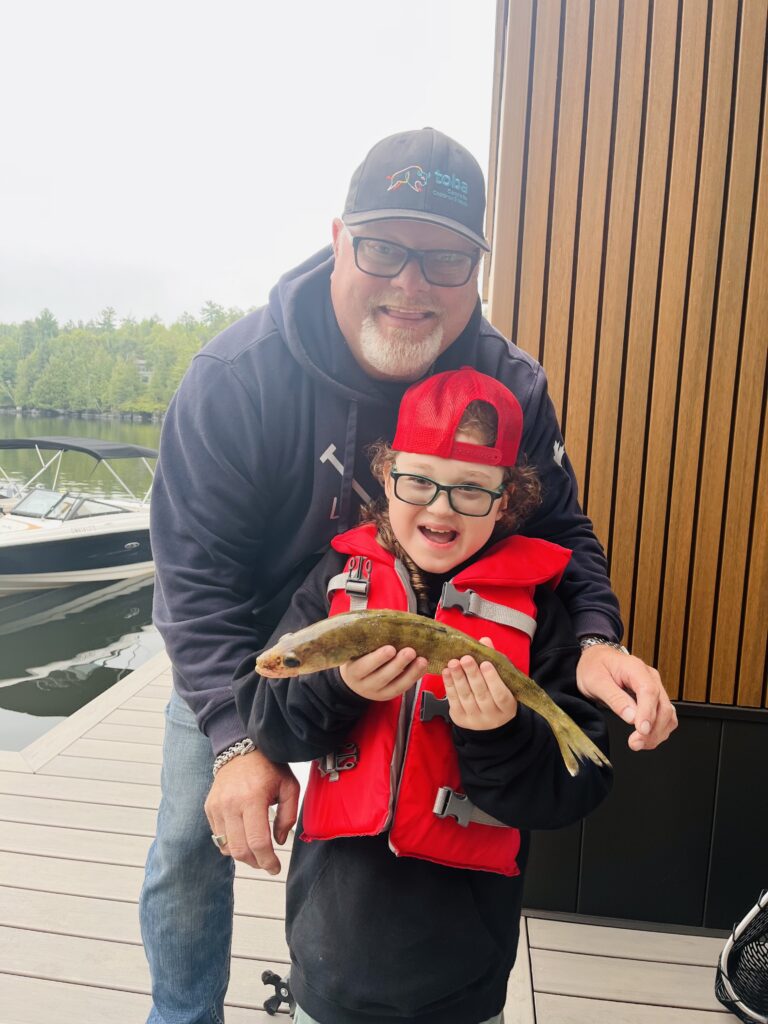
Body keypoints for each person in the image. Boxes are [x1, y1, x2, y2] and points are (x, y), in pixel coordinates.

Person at [141, 127, 676, 1024]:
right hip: (256, 647)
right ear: (341, 235)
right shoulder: (235, 379)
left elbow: (563, 529)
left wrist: (591, 639)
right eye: (386, 248)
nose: (411, 284)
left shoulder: (510, 381)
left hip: (436, 646)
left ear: (476, 269)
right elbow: (193, 582)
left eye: (445, 258)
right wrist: (239, 741)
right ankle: (182, 1014)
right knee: (189, 843)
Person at [234, 367, 613, 1024]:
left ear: (506, 502)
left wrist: (499, 733)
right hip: (328, 969)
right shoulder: (333, 582)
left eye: (471, 489)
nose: (440, 507)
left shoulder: (539, 613)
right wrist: (338, 687)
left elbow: (572, 788)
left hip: (462, 986)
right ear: (386, 481)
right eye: (419, 482)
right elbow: (269, 720)